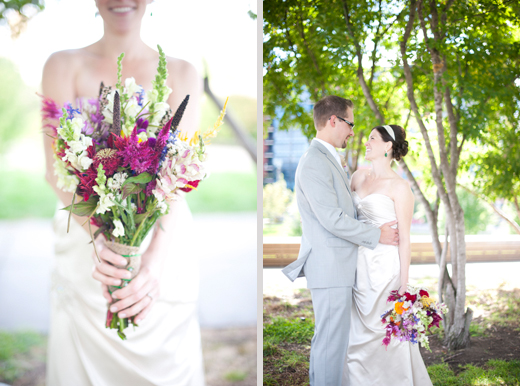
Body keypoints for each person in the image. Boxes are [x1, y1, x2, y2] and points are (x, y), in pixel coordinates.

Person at [41, 1, 204, 384]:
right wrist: (99, 240)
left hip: (163, 239)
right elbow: (54, 171)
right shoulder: (62, 66)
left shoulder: (183, 72)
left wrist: (153, 261)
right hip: (87, 246)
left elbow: (179, 175)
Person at [282, 95, 400, 386]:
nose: (352, 130)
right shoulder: (314, 162)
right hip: (330, 267)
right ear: (333, 120)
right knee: (330, 346)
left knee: (333, 345)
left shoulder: (328, 158)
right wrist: (377, 234)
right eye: (350, 123)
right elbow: (331, 218)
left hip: (339, 267)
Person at [343, 124, 433, 385]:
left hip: (385, 269)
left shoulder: (400, 187)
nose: (367, 142)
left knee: (387, 332)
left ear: (388, 146)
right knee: (356, 334)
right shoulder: (357, 178)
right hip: (358, 264)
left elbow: (405, 240)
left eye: (372, 138)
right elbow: (345, 219)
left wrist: (404, 287)